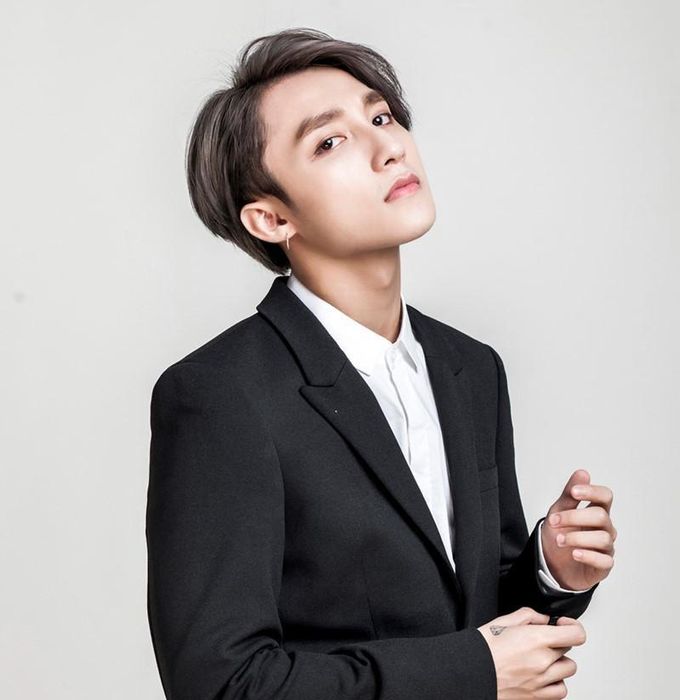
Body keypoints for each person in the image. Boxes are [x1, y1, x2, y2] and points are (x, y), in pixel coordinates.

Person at [146, 27, 616, 700]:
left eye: (381, 117)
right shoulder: (220, 394)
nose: (388, 146)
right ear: (270, 219)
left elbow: (474, 617)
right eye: (329, 141)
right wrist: (471, 674)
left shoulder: (471, 368)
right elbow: (219, 683)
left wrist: (551, 570)